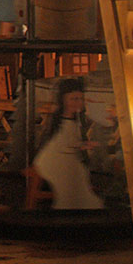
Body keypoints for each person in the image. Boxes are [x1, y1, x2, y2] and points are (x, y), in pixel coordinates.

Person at [32, 78, 104, 210]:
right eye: (74, 99)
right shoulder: (62, 123)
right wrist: (81, 145)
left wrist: (83, 144)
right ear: (64, 100)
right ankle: (68, 202)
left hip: (67, 156)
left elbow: (72, 141)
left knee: (81, 172)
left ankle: (82, 201)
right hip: (53, 159)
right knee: (73, 173)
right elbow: (63, 143)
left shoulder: (74, 121)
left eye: (80, 99)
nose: (78, 103)